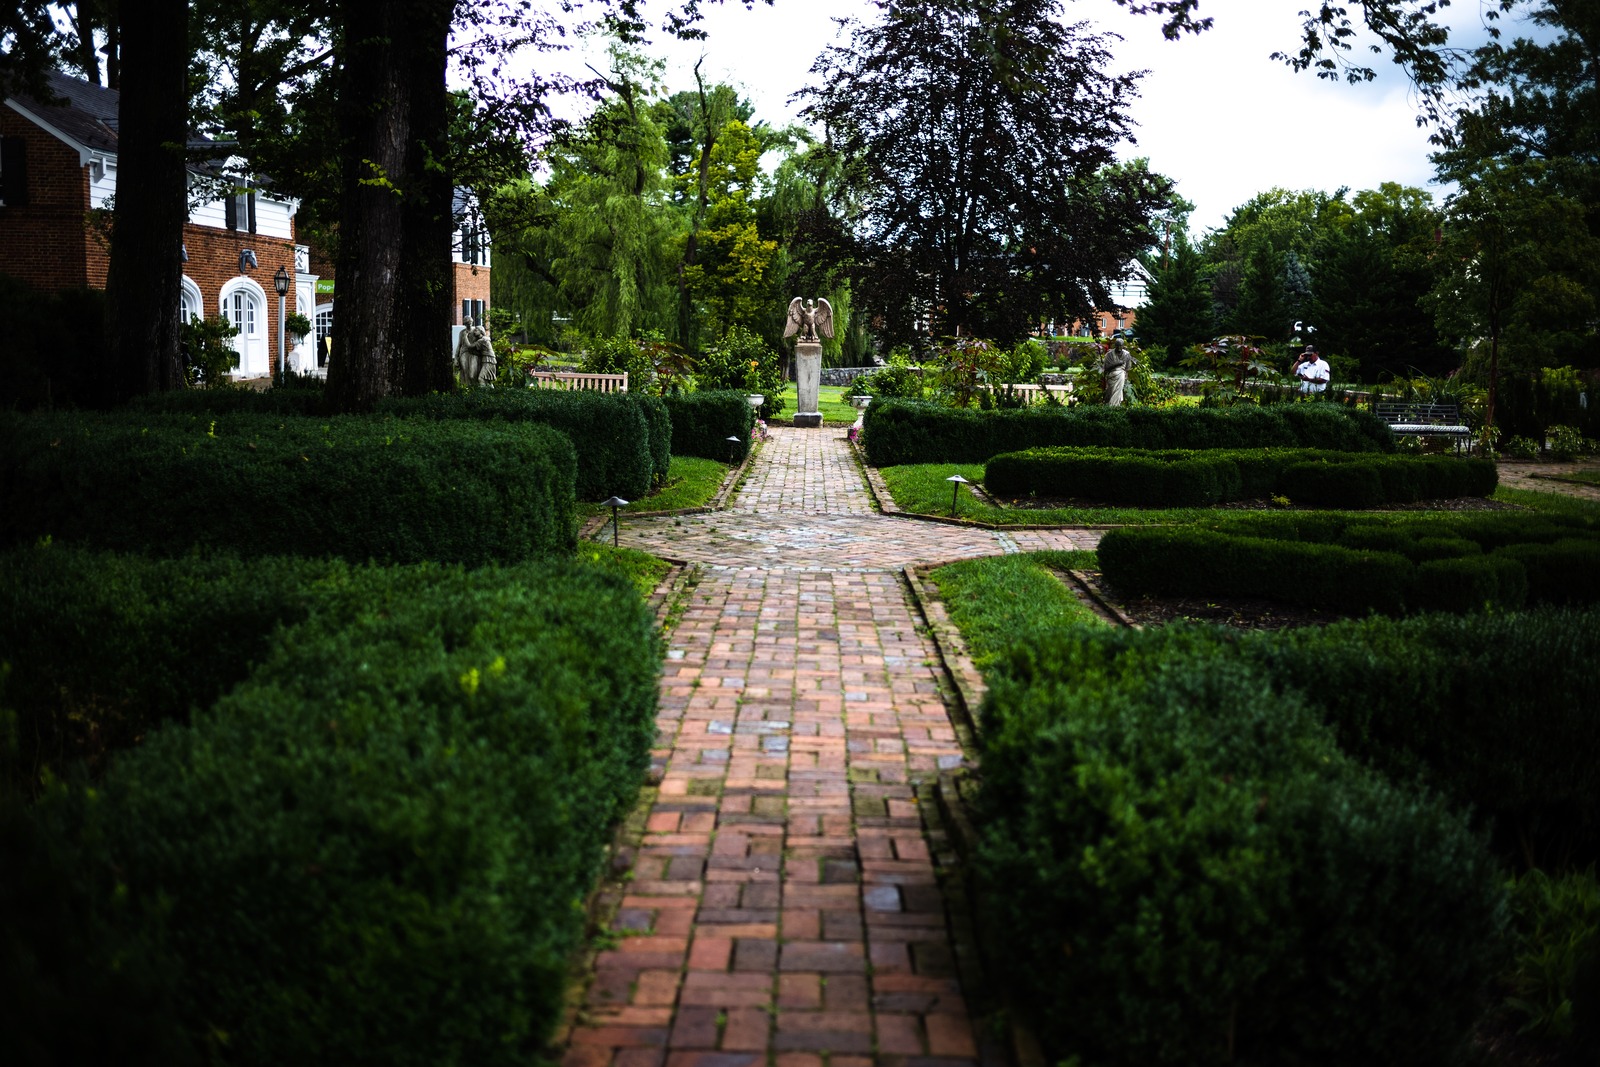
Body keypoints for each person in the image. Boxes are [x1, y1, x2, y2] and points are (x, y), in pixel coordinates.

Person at [1102, 337, 1134, 406]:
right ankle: (1111, 406)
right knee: (1110, 392)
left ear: (1123, 346)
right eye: (1117, 346)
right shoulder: (1109, 354)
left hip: (1121, 376)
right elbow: (1106, 367)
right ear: (1115, 346)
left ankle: (1115, 407)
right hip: (1111, 376)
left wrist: (1126, 375)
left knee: (1118, 392)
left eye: (1121, 346)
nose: (1119, 347)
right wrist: (1117, 363)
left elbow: (1127, 368)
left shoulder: (1126, 354)